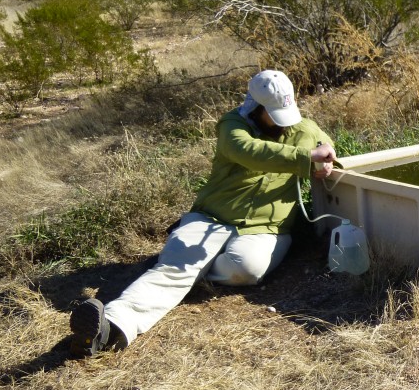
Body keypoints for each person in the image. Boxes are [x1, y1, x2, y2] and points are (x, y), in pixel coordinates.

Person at [69, 69, 337, 357]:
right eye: (273, 114)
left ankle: (192, 270)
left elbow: (327, 145)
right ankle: (109, 328)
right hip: (213, 218)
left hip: (266, 227)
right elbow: (249, 152)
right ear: (255, 107)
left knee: (247, 270)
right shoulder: (232, 125)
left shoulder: (305, 129)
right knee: (174, 270)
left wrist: (328, 156)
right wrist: (306, 158)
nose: (281, 122)